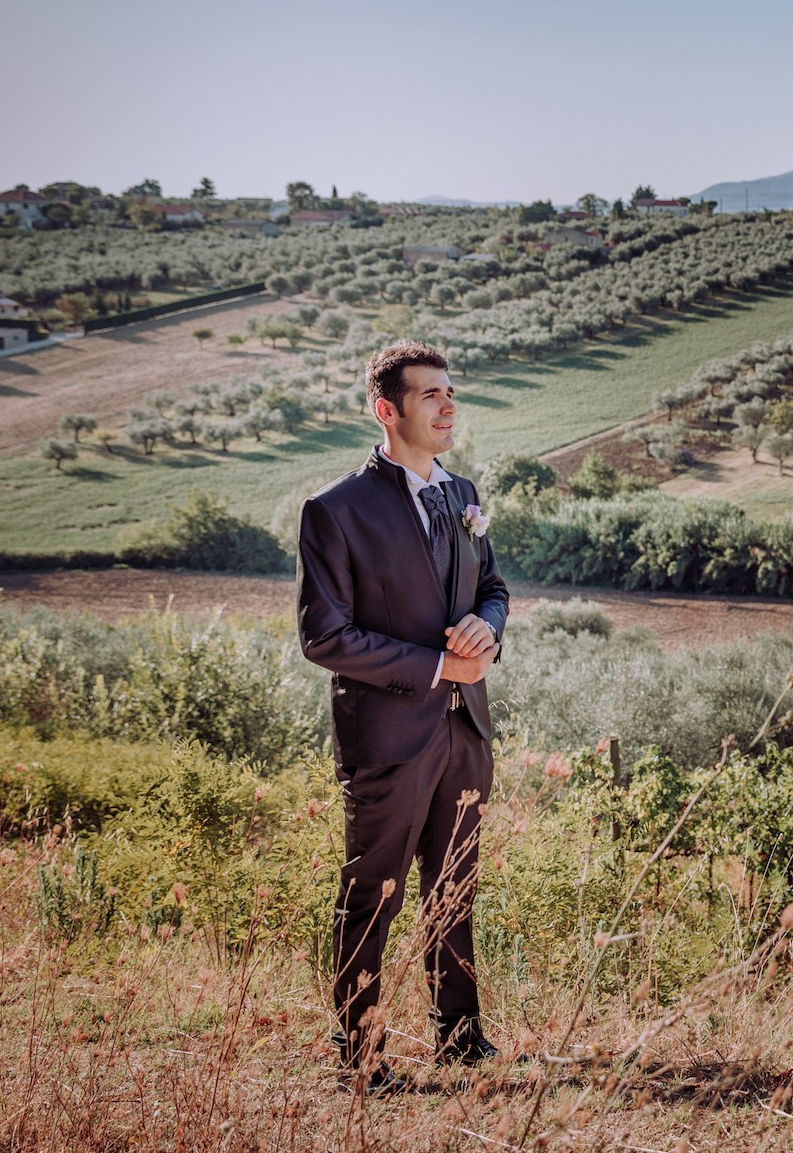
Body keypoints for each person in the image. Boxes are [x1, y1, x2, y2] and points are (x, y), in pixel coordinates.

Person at [296, 340, 510, 1092]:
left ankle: (460, 1034)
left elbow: (493, 587)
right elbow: (325, 635)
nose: (449, 405)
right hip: (386, 735)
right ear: (386, 410)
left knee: (456, 886)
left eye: (451, 391)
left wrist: (487, 626)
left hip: (465, 730)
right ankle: (360, 1052)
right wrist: (434, 666)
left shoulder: (463, 496)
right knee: (374, 892)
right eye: (430, 395)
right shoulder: (334, 510)